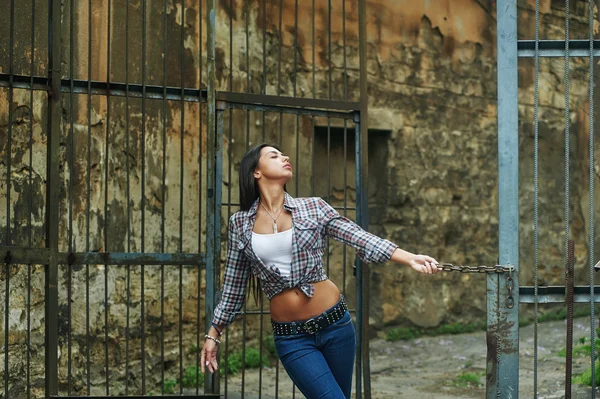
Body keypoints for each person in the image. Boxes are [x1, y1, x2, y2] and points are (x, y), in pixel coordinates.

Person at [201, 143, 439, 399]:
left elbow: (358, 237)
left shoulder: (314, 207)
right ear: (256, 172)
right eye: (274, 155)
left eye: (284, 154)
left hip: (335, 325)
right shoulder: (240, 224)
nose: (285, 157)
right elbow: (234, 287)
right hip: (292, 338)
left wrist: (409, 257)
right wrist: (213, 335)